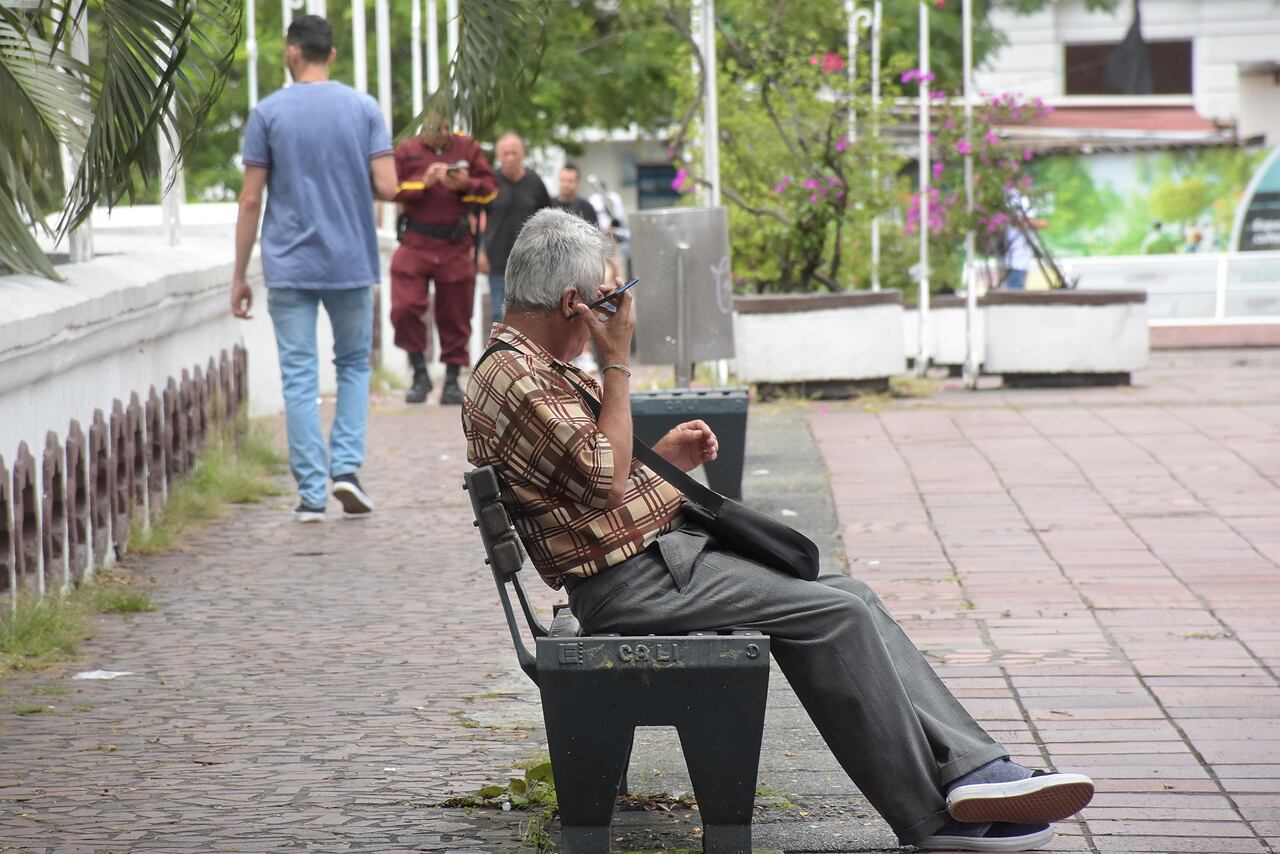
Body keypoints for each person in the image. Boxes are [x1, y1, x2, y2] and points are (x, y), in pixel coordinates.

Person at [461, 209, 1096, 853]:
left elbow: (588, 480)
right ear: (573, 302)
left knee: (853, 596)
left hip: (649, 563)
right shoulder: (515, 377)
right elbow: (600, 480)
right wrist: (618, 362)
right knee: (834, 615)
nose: (617, 314)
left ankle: (974, 771)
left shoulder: (527, 367)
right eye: (608, 301)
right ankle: (933, 819)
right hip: (630, 585)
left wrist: (666, 460)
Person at [232, 14, 395, 522]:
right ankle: (345, 469)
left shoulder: (268, 113)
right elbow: (388, 187)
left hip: (289, 265)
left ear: (291, 51)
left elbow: (251, 200)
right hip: (350, 260)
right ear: (333, 55)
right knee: (352, 367)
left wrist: (239, 275)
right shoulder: (363, 108)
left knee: (299, 379)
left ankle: (309, 494)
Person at [390, 110, 497, 405]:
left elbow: (490, 191)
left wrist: (465, 185)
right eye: (436, 128)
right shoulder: (407, 149)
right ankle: (419, 374)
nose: (441, 133)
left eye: (446, 127)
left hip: (454, 242)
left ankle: (451, 379)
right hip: (416, 240)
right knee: (405, 307)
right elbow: (389, 187)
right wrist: (422, 182)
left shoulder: (467, 148)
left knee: (456, 314)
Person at [479, 132, 550, 328]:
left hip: (531, 262)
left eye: (514, 153)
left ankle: (528, 358)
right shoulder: (489, 183)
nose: (510, 157)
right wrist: (480, 252)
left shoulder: (535, 182)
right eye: (505, 153)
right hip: (498, 262)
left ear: (522, 154)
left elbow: (549, 219)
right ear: (498, 156)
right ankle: (500, 357)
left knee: (531, 314)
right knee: (499, 314)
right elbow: (474, 218)